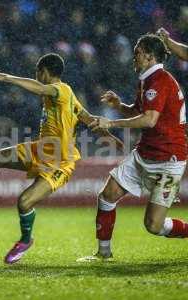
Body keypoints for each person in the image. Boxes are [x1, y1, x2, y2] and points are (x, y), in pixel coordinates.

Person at [0, 53, 123, 264]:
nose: (36, 76)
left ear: (43, 71)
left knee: (24, 202)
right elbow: (89, 119)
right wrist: (111, 139)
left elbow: (41, 88)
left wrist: (3, 76)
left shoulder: (61, 89)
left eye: (37, 72)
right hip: (39, 150)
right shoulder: (69, 96)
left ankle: (25, 240)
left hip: (59, 162)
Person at [78, 34, 188, 262]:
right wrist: (119, 106)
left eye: (137, 51)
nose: (133, 56)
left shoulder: (159, 80)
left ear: (149, 56)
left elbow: (149, 120)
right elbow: (140, 114)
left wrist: (111, 122)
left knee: (154, 225)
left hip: (168, 158)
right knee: (107, 195)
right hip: (145, 152)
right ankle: (103, 253)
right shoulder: (147, 79)